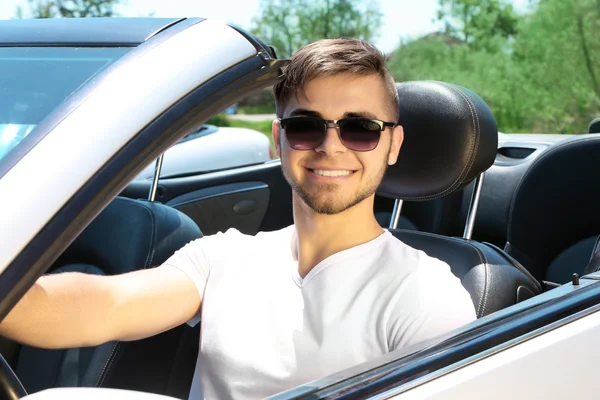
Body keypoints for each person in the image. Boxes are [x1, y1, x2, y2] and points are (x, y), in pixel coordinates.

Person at [0, 38, 476, 399]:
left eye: (360, 129)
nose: (331, 146)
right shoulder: (224, 256)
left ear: (393, 144)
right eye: (305, 126)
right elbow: (104, 304)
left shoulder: (424, 292)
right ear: (278, 139)